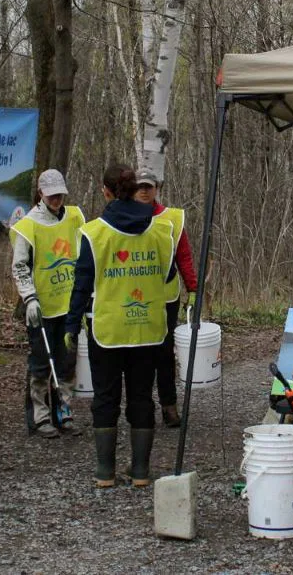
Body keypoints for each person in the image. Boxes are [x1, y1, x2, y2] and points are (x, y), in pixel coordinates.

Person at [65, 164, 175, 488]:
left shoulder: (94, 232)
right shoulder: (161, 230)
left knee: (106, 396)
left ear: (106, 191)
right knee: (142, 396)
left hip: (109, 327)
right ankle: (140, 472)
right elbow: (168, 274)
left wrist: (72, 324)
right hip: (148, 329)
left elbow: (82, 283)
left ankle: (105, 472)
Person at [10, 169, 85, 438]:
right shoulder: (28, 225)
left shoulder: (75, 217)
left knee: (66, 361)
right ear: (41, 194)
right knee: (41, 362)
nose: (56, 199)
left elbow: (83, 254)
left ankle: (63, 410)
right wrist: (29, 298)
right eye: (51, 194)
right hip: (41, 307)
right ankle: (40, 416)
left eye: (59, 194)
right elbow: (19, 267)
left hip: (69, 305)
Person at [135, 169, 198, 428]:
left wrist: (192, 289)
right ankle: (141, 408)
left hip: (166, 296)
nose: (144, 191)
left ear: (157, 188)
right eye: (140, 186)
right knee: (139, 355)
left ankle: (169, 406)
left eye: (149, 186)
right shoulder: (124, 216)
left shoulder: (172, 218)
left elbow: (183, 255)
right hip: (135, 297)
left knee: (164, 353)